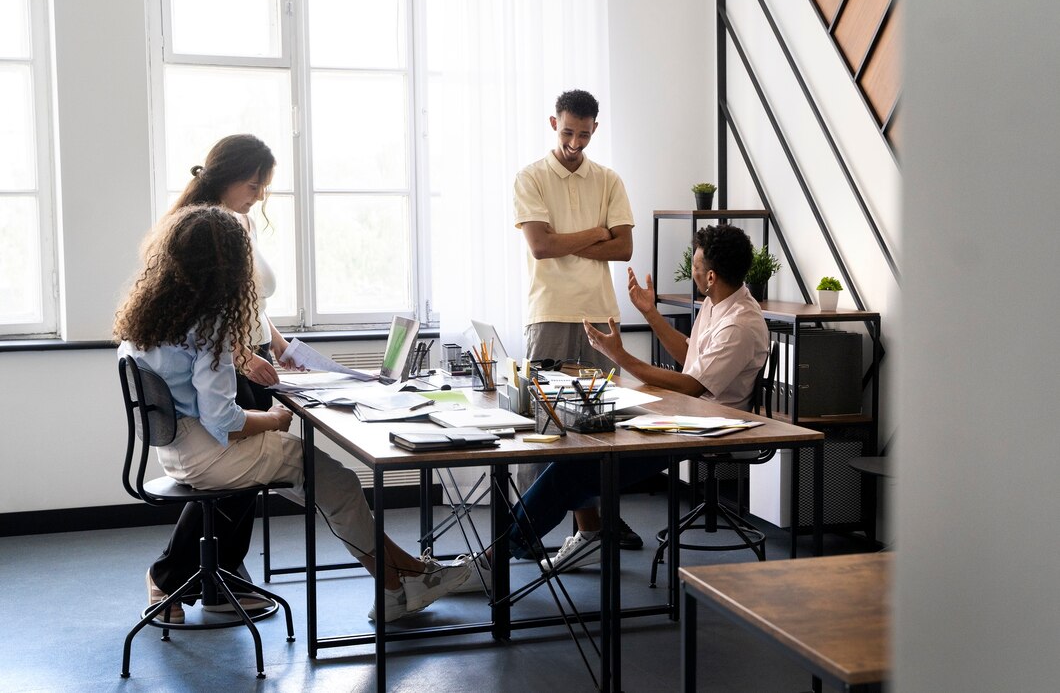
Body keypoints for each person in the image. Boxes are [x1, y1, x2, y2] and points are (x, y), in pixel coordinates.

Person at [116, 205, 472, 623]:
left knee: (326, 486)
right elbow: (223, 421)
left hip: (175, 453)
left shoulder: (154, 316)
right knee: (337, 483)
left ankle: (404, 577)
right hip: (212, 454)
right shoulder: (209, 321)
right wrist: (273, 421)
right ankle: (398, 583)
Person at [471, 223, 769, 575]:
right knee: (577, 449)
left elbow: (691, 384)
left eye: (697, 266)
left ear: (711, 277)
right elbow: (691, 355)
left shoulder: (740, 323)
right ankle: (581, 536)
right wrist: (651, 314)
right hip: (684, 413)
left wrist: (620, 356)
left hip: (705, 426)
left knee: (573, 471)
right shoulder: (717, 301)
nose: (692, 270)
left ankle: (495, 560)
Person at [143, 135, 293, 621]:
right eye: (252, 184)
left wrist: (278, 343)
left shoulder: (238, 222)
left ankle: (223, 576)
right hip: (228, 359)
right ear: (226, 177)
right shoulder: (202, 230)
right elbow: (203, 309)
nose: (258, 195)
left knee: (241, 482)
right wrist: (243, 355)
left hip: (248, 353)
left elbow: (252, 301)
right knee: (233, 477)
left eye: (263, 187)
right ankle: (171, 576)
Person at [513, 89, 642, 551]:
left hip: (599, 312)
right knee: (543, 428)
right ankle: (526, 532)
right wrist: (594, 234)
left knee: (601, 426)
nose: (574, 142)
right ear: (553, 123)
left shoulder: (608, 180)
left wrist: (568, 239)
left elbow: (623, 248)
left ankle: (600, 523)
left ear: (595, 130)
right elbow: (540, 247)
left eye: (584, 134)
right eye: (568, 132)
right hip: (547, 311)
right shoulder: (530, 177)